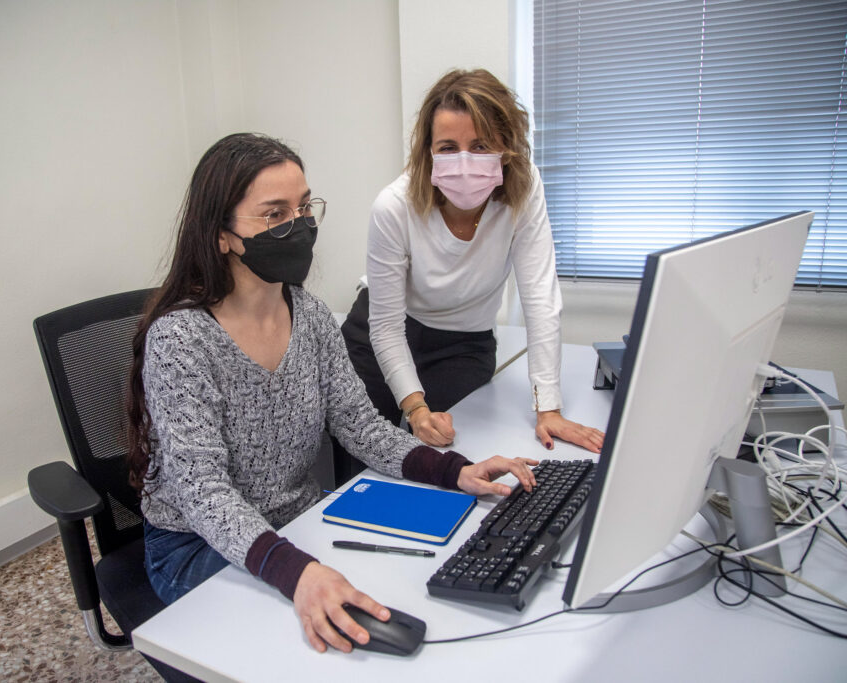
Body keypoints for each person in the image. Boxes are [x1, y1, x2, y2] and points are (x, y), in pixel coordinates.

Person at [125, 132, 540, 654]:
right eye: (273, 214)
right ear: (221, 234)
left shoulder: (312, 315)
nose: (297, 226)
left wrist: (454, 471)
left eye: (303, 208)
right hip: (195, 545)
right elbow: (203, 493)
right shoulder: (181, 338)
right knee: (329, 640)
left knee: (408, 582)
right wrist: (297, 572)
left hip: (297, 521)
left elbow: (361, 426)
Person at [340, 69, 604, 470]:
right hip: (384, 331)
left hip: (464, 341)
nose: (464, 161)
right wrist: (414, 407)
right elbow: (388, 327)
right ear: (427, 150)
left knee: (448, 452)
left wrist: (548, 408)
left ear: (507, 146)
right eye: (447, 147)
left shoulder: (523, 189)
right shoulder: (394, 205)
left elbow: (540, 299)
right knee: (364, 455)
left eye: (480, 145)